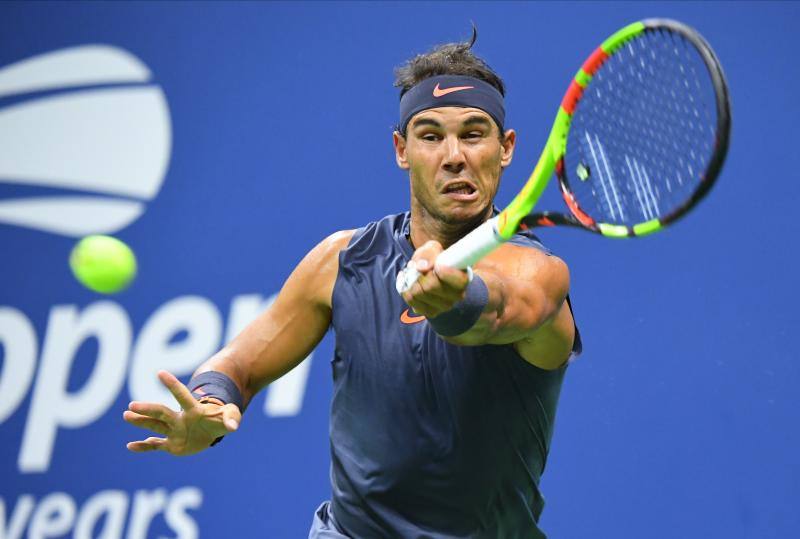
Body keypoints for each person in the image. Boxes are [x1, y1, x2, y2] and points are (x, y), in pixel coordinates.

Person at [124, 32, 580, 538]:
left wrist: (453, 296)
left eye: (473, 134)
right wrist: (209, 402)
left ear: (506, 149)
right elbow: (240, 363)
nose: (454, 156)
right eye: (430, 136)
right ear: (401, 150)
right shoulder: (343, 261)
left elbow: (492, 314)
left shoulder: (538, 273)